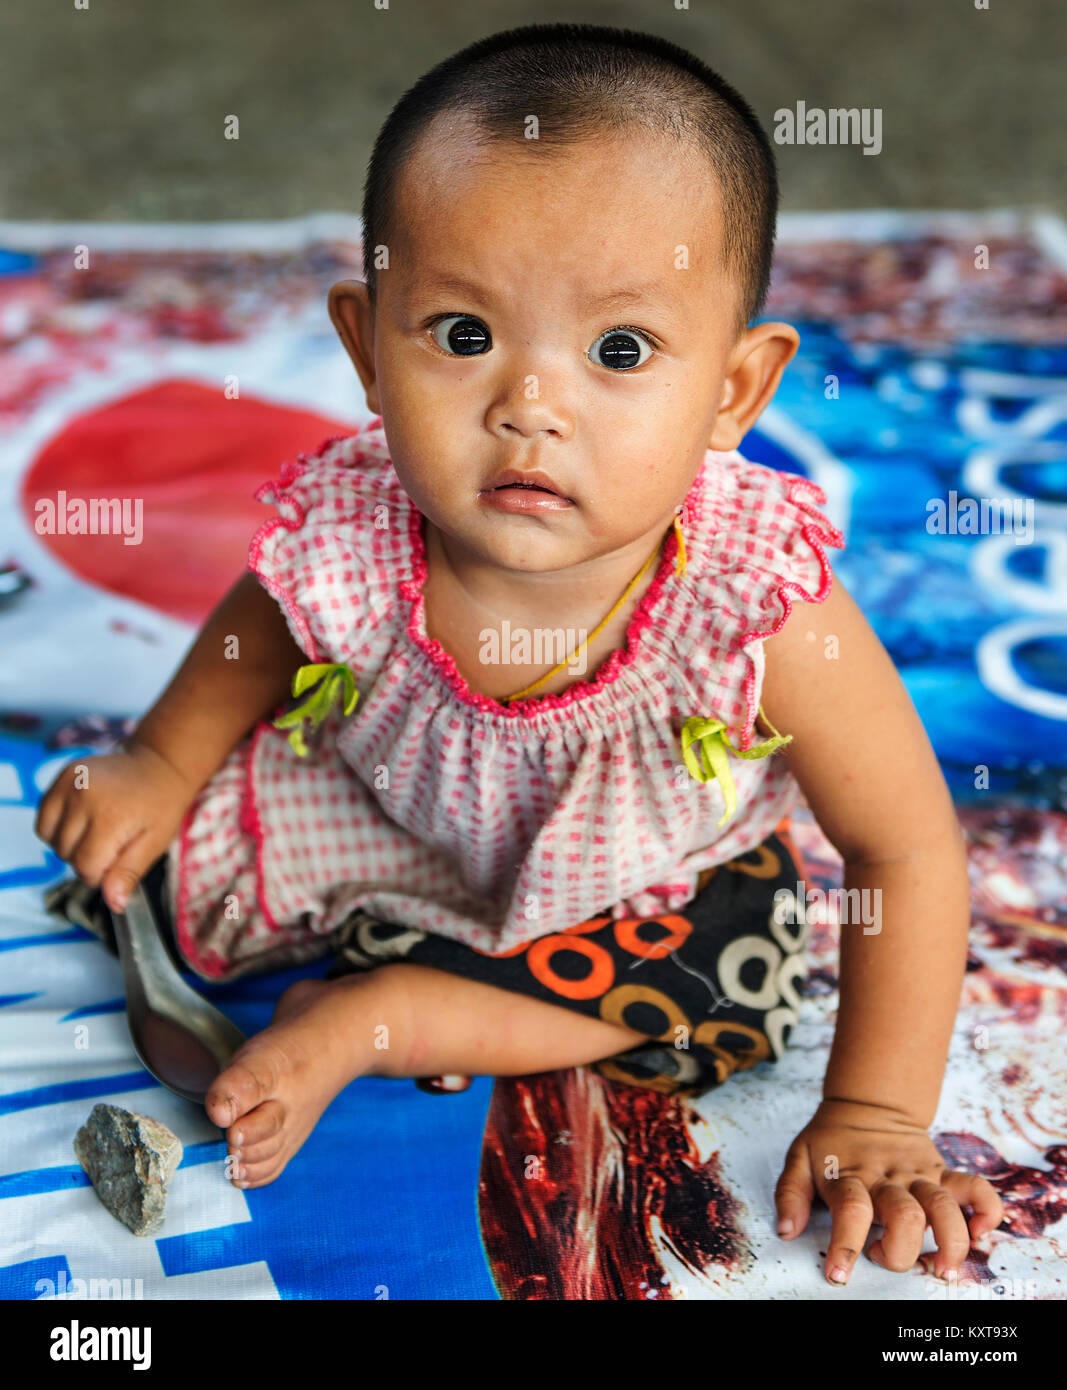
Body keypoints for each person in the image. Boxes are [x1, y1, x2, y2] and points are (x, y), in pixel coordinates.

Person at [36, 23, 1003, 1287]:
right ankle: (390, 953)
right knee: (141, 863)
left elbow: (904, 847)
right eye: (458, 332)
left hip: (640, 892)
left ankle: (383, 1017)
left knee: (727, 978)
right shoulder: (353, 526)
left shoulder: (755, 598)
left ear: (733, 388)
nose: (527, 406)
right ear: (363, 346)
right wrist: (160, 764)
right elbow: (252, 636)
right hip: (390, 820)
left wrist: (877, 1112)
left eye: (617, 351)